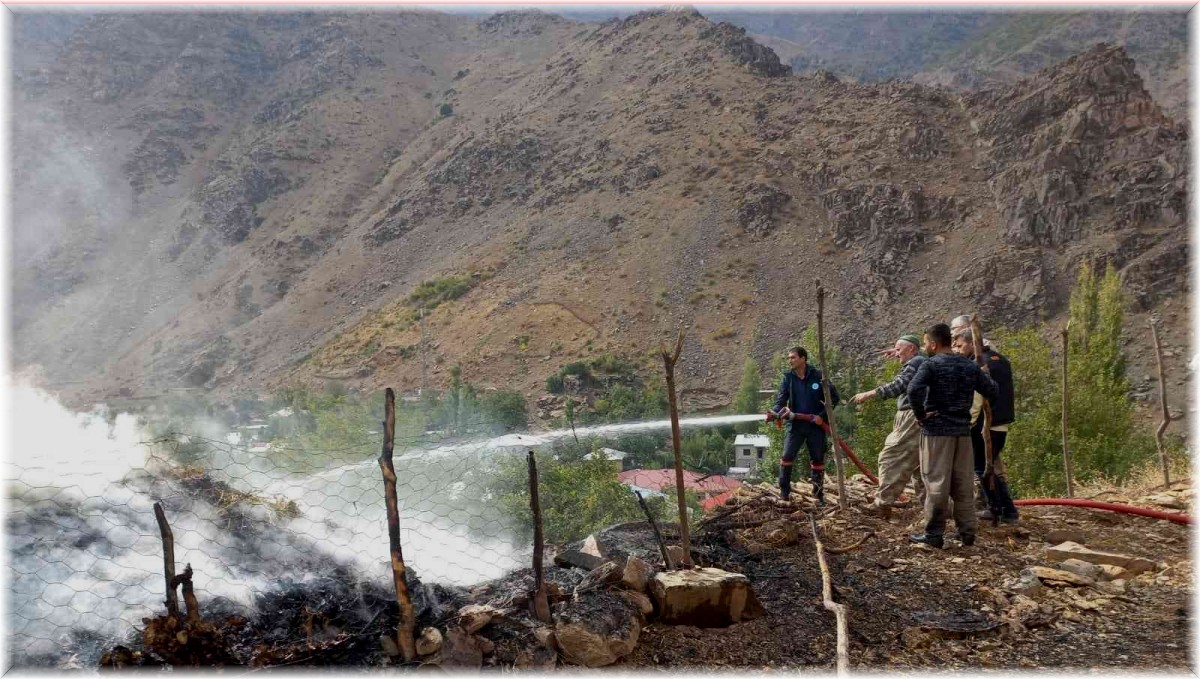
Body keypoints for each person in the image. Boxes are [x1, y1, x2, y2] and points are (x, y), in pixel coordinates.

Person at [906, 323, 998, 548]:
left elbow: (913, 390)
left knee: (936, 483)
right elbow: (992, 391)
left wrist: (920, 415)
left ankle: (934, 534)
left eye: (926, 342)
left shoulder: (931, 365)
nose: (926, 346)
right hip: (963, 433)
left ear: (934, 343)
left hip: (936, 432)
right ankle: (967, 532)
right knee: (963, 484)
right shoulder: (969, 366)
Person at [851, 334, 927, 518]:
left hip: (911, 417)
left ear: (911, 350)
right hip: (918, 417)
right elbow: (915, 355)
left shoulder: (916, 362)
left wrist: (870, 393)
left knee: (890, 457)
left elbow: (899, 385)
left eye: (899, 349)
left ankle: (882, 503)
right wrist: (900, 350)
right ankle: (933, 506)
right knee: (921, 464)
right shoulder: (920, 360)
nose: (896, 353)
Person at [953, 327, 1019, 524]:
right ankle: (1005, 509)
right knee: (987, 467)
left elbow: (976, 399)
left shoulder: (981, 365)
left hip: (987, 425)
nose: (958, 348)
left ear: (973, 342)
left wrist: (967, 423)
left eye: (960, 344)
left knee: (983, 467)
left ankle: (1000, 509)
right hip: (1000, 421)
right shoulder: (1000, 359)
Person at [771, 346, 840, 505]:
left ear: (803, 359)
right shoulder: (788, 378)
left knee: (817, 459)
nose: (790, 360)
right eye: (789, 358)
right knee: (787, 456)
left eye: (793, 357)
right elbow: (780, 401)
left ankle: (818, 495)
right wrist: (775, 412)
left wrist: (821, 417)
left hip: (816, 426)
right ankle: (784, 494)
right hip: (795, 425)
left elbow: (834, 398)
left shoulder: (818, 376)